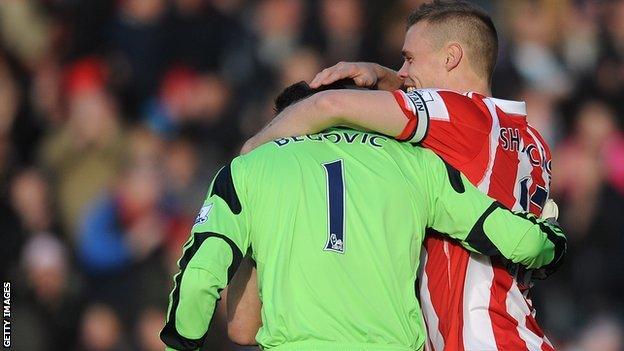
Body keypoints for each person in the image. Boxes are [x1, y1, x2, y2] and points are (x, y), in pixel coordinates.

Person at [236, 1, 557, 350]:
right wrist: (381, 75)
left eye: (409, 59)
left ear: (451, 57)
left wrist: (251, 155)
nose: (401, 72)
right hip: (518, 329)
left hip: (481, 339)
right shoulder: (531, 140)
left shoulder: (459, 117)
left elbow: (328, 106)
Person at [159, 81, 566, 351]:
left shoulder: (249, 169)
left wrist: (181, 343)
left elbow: (199, 281)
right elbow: (519, 240)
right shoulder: (416, 164)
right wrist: (552, 243)